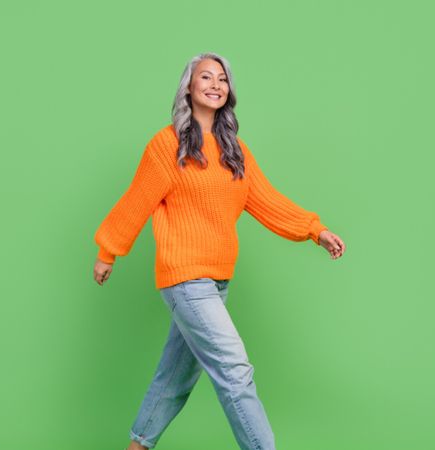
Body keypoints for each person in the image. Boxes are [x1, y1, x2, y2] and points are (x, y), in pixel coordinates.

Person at [92, 52, 346, 450]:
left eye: (222, 79)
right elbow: (137, 201)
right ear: (189, 88)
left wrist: (316, 230)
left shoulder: (234, 151)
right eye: (206, 77)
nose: (215, 84)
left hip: (217, 281)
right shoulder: (168, 145)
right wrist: (108, 250)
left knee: (173, 380)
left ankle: (136, 447)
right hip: (185, 278)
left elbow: (268, 201)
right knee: (235, 371)